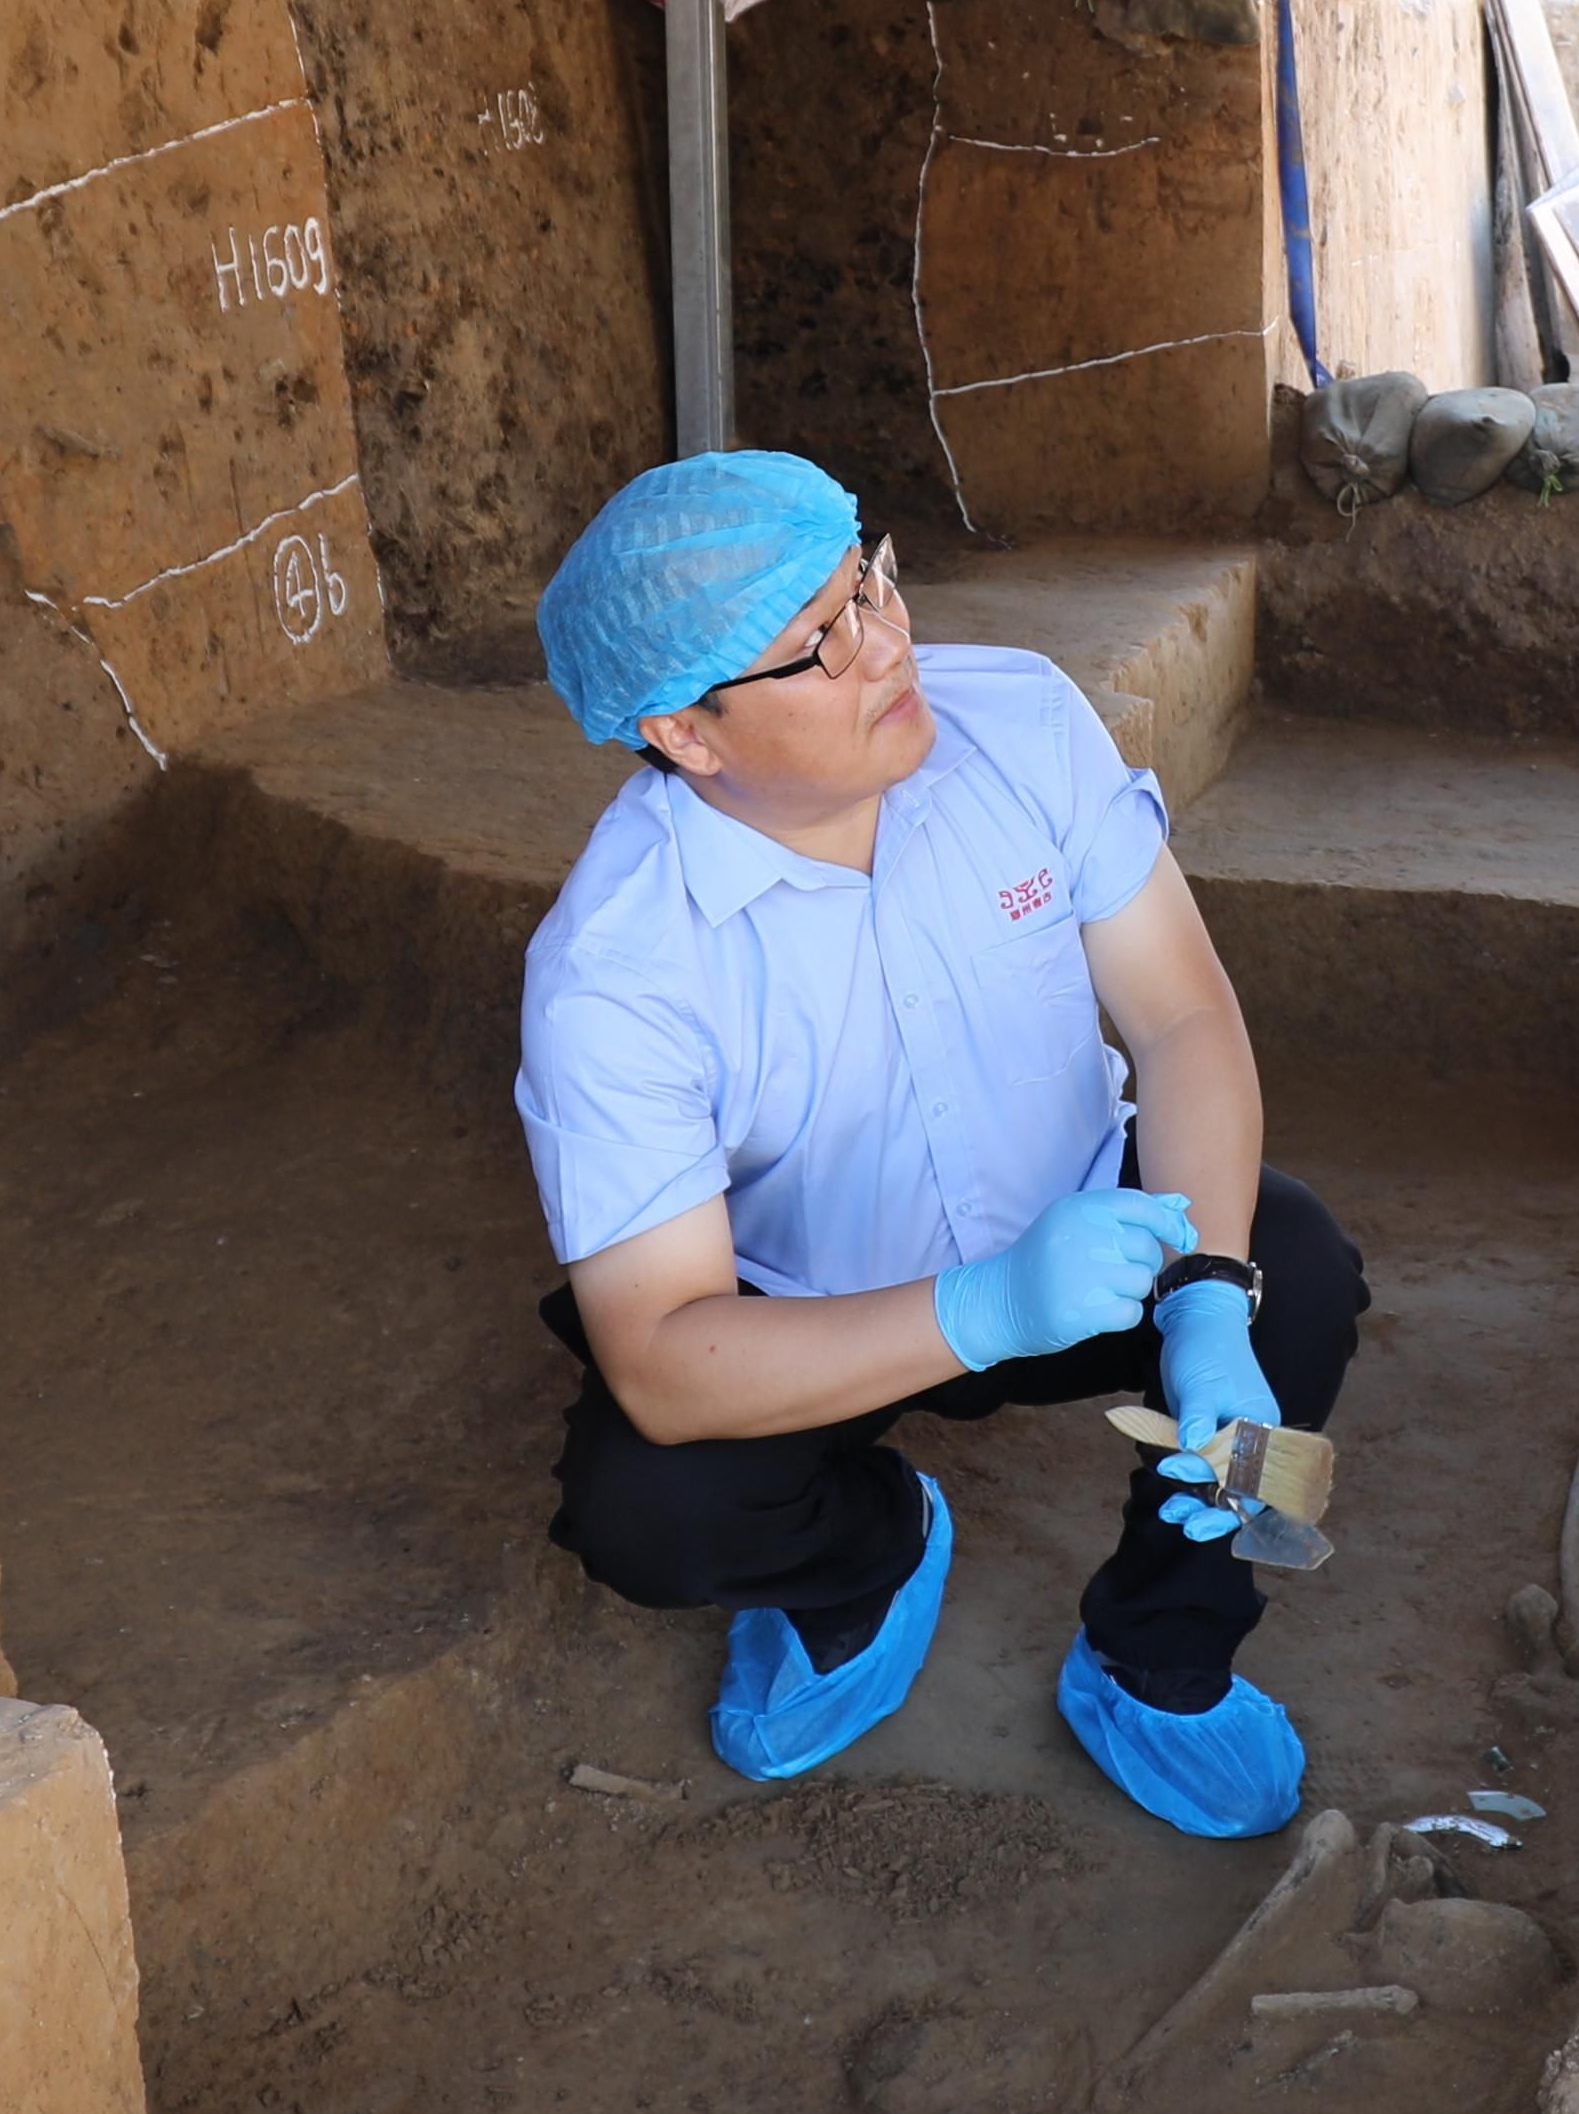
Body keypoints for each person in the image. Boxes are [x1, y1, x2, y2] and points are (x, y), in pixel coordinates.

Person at [506, 450, 1353, 1839]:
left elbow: (1184, 1017)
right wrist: (984, 1308)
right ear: (685, 735)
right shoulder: (616, 970)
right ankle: (867, 1562)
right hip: (823, 1314)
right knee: (647, 1504)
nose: (890, 646)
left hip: (1091, 1232)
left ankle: (1158, 1654)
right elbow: (660, 1350)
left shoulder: (1017, 721)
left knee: (1296, 1274)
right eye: (817, 648)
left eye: (873, 583)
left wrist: (1204, 1298)